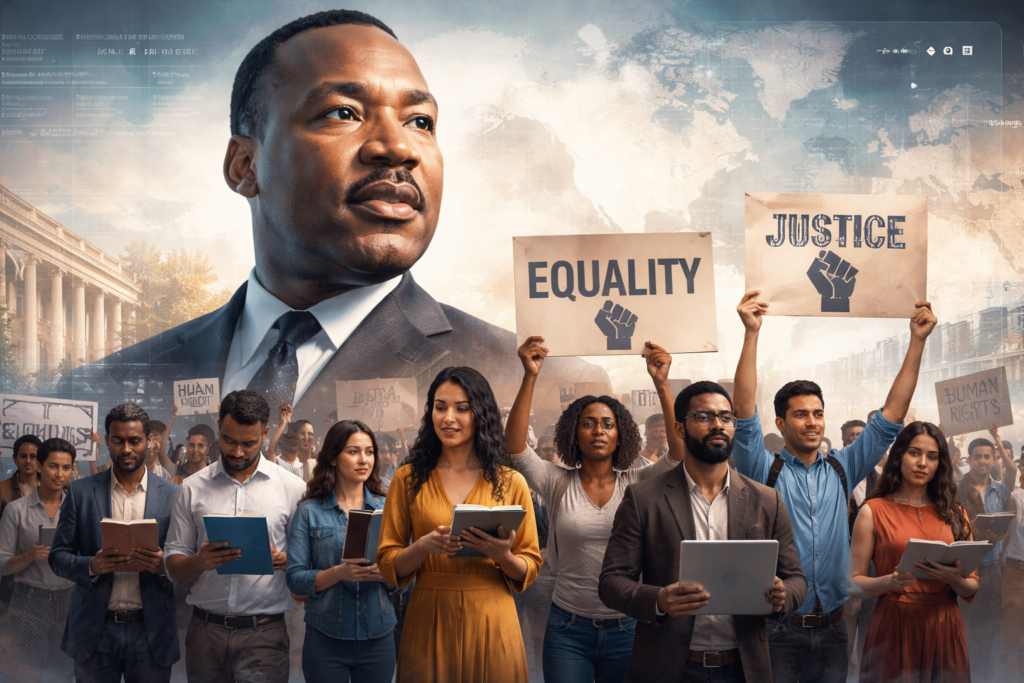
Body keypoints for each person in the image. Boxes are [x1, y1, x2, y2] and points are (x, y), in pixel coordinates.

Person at [58, 8, 609, 440]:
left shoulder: (548, 386)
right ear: (244, 166)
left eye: (421, 121)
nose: (397, 147)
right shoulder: (99, 389)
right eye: (343, 112)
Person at [731, 291, 936, 683]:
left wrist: (917, 341)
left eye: (818, 413)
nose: (812, 422)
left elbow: (891, 415)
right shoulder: (763, 468)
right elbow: (743, 413)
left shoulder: (843, 468)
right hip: (778, 629)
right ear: (780, 423)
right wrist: (752, 334)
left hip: (835, 629)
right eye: (801, 414)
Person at [599, 379, 807, 682]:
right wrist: (658, 600)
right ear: (680, 428)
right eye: (703, 417)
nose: (718, 425)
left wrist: (782, 595)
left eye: (725, 417)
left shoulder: (766, 499)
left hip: (744, 667)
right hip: (670, 666)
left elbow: (797, 579)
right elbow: (611, 582)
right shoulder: (644, 498)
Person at [507, 337, 685, 682]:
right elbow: (515, 449)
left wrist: (661, 383)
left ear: (621, 435)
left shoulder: (638, 482)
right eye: (588, 423)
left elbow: (678, 454)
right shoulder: (557, 481)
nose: (598, 430)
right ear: (574, 434)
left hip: (628, 626)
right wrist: (530, 375)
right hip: (567, 627)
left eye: (607, 424)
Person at [376, 366, 542, 682]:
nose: (448, 417)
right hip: (429, 615)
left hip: (494, 617)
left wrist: (503, 556)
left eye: (461, 408)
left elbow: (530, 565)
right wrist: (423, 545)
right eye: (440, 407)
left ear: (480, 414)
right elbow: (387, 563)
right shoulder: (407, 479)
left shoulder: (512, 482)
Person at [163, 390, 306, 683]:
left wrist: (284, 560)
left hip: (265, 634)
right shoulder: (190, 488)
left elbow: (307, 568)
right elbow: (173, 565)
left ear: (266, 433)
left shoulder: (292, 489)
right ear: (218, 427)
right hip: (205, 633)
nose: (237, 452)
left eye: (249, 443)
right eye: (229, 440)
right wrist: (199, 562)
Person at [48, 402, 181, 681]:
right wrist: (92, 565)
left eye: (134, 440)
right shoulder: (79, 492)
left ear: (149, 441)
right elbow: (57, 556)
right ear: (107, 440)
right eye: (118, 440)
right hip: (94, 629)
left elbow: (187, 560)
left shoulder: (174, 495)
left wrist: (164, 566)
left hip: (152, 629)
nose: (126, 449)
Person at [848, 421, 979, 682]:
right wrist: (890, 581)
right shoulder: (873, 510)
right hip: (894, 622)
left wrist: (955, 580)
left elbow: (972, 587)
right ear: (899, 456)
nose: (922, 463)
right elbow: (852, 584)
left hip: (944, 621)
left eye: (932, 457)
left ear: (940, 464)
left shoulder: (957, 514)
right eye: (914, 453)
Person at [286, 420, 398, 683]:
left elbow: (408, 580)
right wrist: (339, 572)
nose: (364, 460)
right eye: (353, 451)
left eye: (369, 452)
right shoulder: (308, 511)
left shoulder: (389, 507)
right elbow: (295, 580)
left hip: (379, 637)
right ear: (333, 458)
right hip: (324, 638)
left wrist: (383, 574)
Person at [0, 437, 76, 682]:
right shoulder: (16, 510)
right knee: (24, 674)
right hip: (28, 601)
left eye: (66, 467)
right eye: (53, 466)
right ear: (40, 466)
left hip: (69, 601)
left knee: (64, 672)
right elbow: (3, 564)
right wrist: (30, 555)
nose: (59, 474)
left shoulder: (78, 510)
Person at [956, 433, 1013, 680]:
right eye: (977, 456)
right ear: (969, 459)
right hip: (962, 568)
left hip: (992, 568)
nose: (982, 461)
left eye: (987, 456)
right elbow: (947, 528)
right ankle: (963, 673)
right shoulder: (954, 490)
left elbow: (1008, 525)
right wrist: (972, 535)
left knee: (990, 625)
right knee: (962, 626)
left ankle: (984, 673)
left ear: (994, 460)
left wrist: (1000, 534)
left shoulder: (1002, 491)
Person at [0, 433, 42, 616]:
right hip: (10, 569)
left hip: (43, 568)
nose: (28, 461)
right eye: (23, 456)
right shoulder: (2, 489)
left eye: (33, 456)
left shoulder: (53, 490)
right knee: (9, 628)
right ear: (15, 459)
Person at [1000, 456, 1024, 680]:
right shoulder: (1015, 498)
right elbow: (1006, 535)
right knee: (1014, 618)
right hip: (1018, 569)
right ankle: (1011, 665)